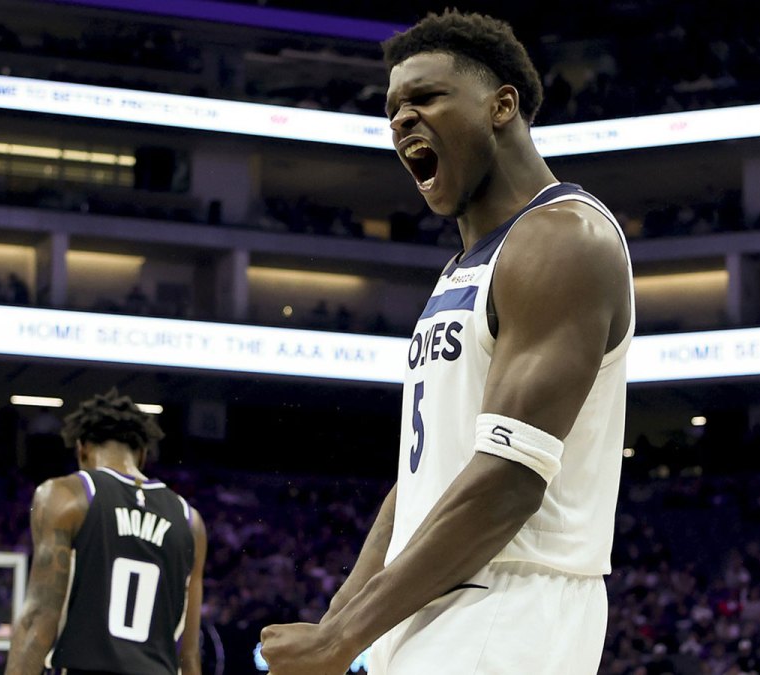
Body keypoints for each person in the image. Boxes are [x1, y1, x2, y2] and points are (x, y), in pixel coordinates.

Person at [260, 10, 634, 675]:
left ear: (501, 106)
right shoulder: (464, 268)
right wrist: (339, 621)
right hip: (432, 593)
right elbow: (419, 482)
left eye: (426, 97)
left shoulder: (564, 240)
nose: (402, 119)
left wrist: (339, 638)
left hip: (510, 599)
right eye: (392, 110)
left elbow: (509, 480)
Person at [5, 389, 205, 675]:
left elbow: (39, 616)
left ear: (81, 448)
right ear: (142, 454)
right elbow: (189, 651)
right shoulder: (190, 520)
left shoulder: (66, 495)